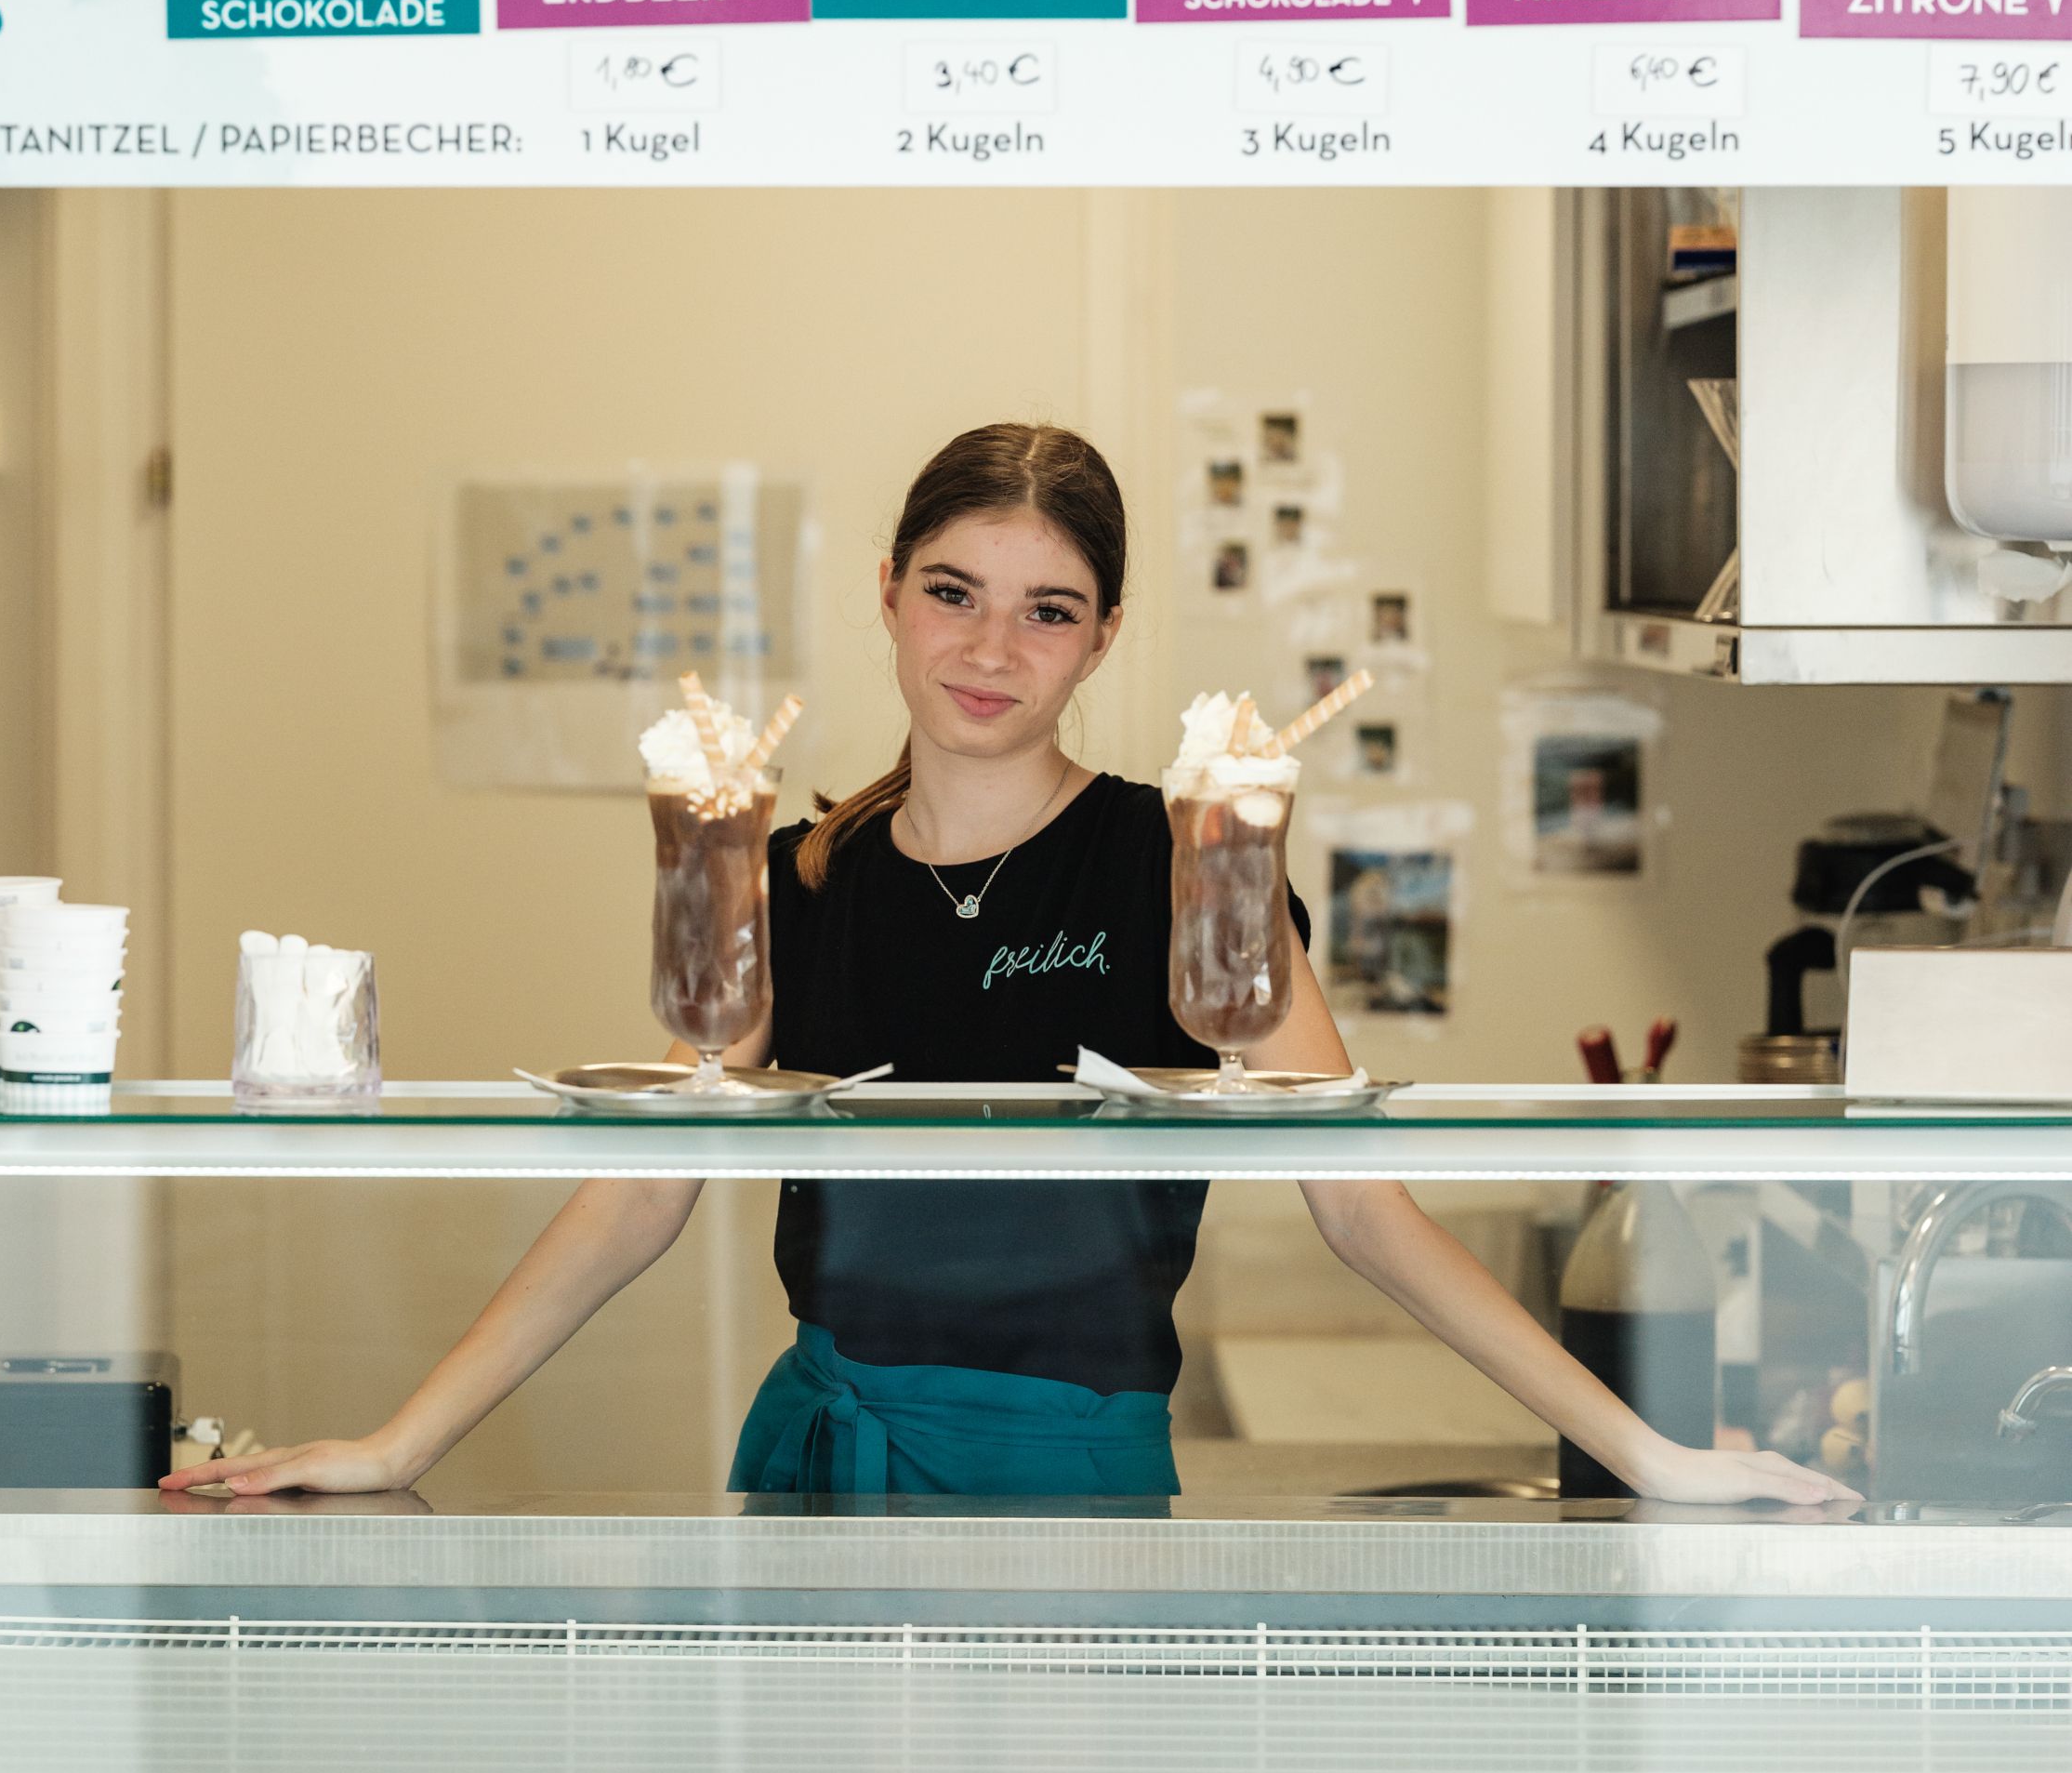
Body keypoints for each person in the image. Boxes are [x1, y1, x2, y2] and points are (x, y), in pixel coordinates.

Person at [167, 420, 1852, 1512]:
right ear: (890, 596)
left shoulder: (1186, 856)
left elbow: (1363, 1202)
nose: (989, 647)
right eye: (955, 592)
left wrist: (1651, 1461)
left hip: (1075, 1473)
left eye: (1048, 610)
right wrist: (402, 1442)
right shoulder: (792, 875)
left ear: (1105, 637)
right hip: (819, 1459)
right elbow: (641, 1189)